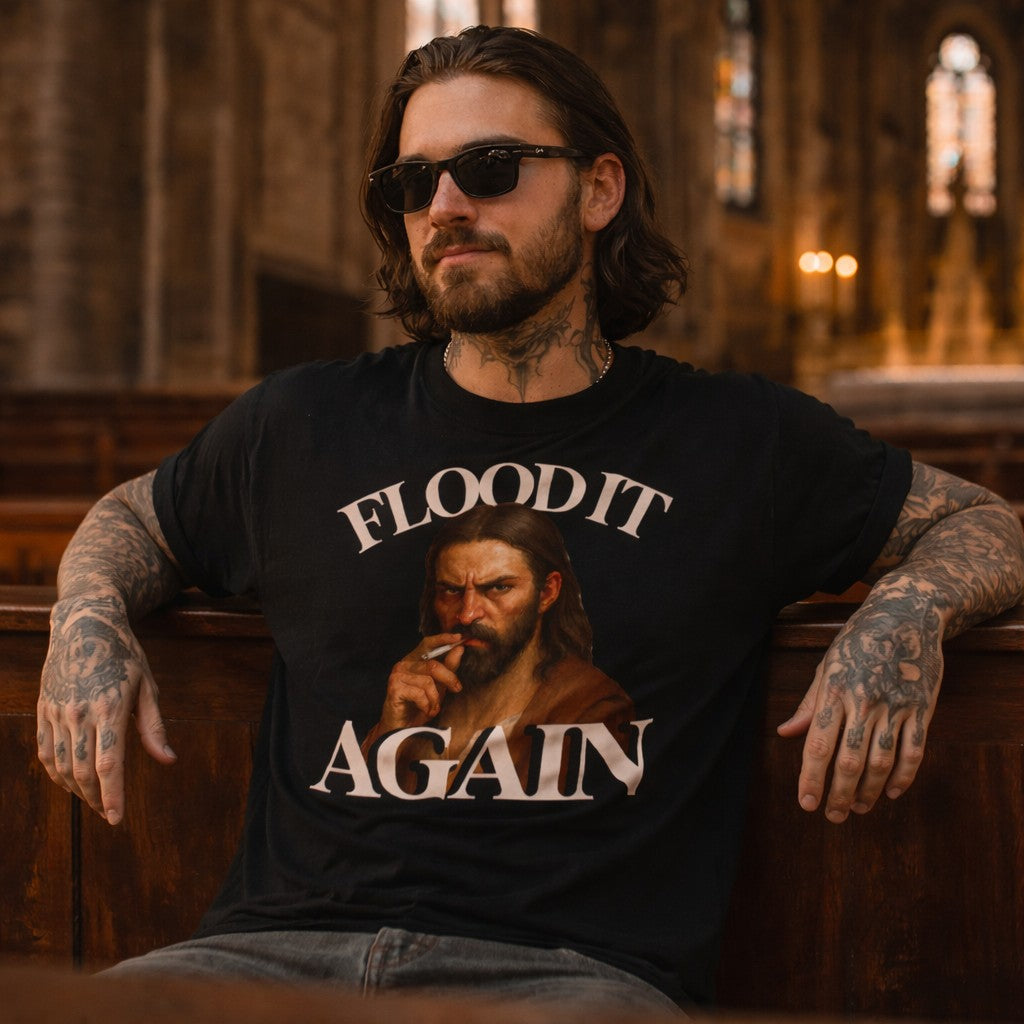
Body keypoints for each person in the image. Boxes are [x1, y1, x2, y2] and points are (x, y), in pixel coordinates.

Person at [36, 24, 1024, 1016]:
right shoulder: (299, 423)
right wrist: (88, 615)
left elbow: (984, 525)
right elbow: (137, 520)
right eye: (411, 184)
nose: (444, 207)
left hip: (568, 980)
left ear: (600, 190)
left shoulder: (736, 438)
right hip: (266, 957)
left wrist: (907, 611)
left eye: (490, 168)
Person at [362, 502, 636, 796]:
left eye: (498, 588)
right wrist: (391, 731)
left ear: (546, 593)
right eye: (451, 591)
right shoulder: (422, 700)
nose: (467, 615)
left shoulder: (591, 707)